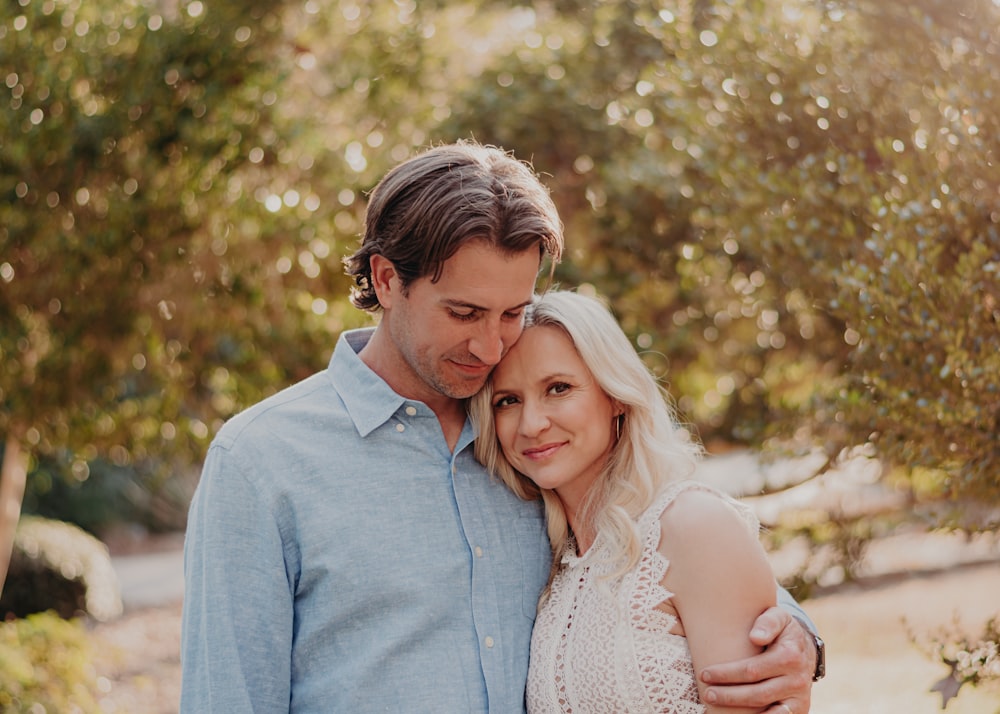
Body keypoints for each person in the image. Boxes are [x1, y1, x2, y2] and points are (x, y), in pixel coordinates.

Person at [181, 141, 820, 713]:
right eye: (464, 312)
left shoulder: (527, 443)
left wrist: (793, 635)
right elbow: (226, 696)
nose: (490, 346)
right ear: (386, 279)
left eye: (512, 312)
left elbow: (656, 557)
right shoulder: (261, 461)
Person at [469, 289, 819, 714]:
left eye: (558, 389)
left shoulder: (693, 526)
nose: (532, 424)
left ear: (615, 395)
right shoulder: (556, 564)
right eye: (508, 401)